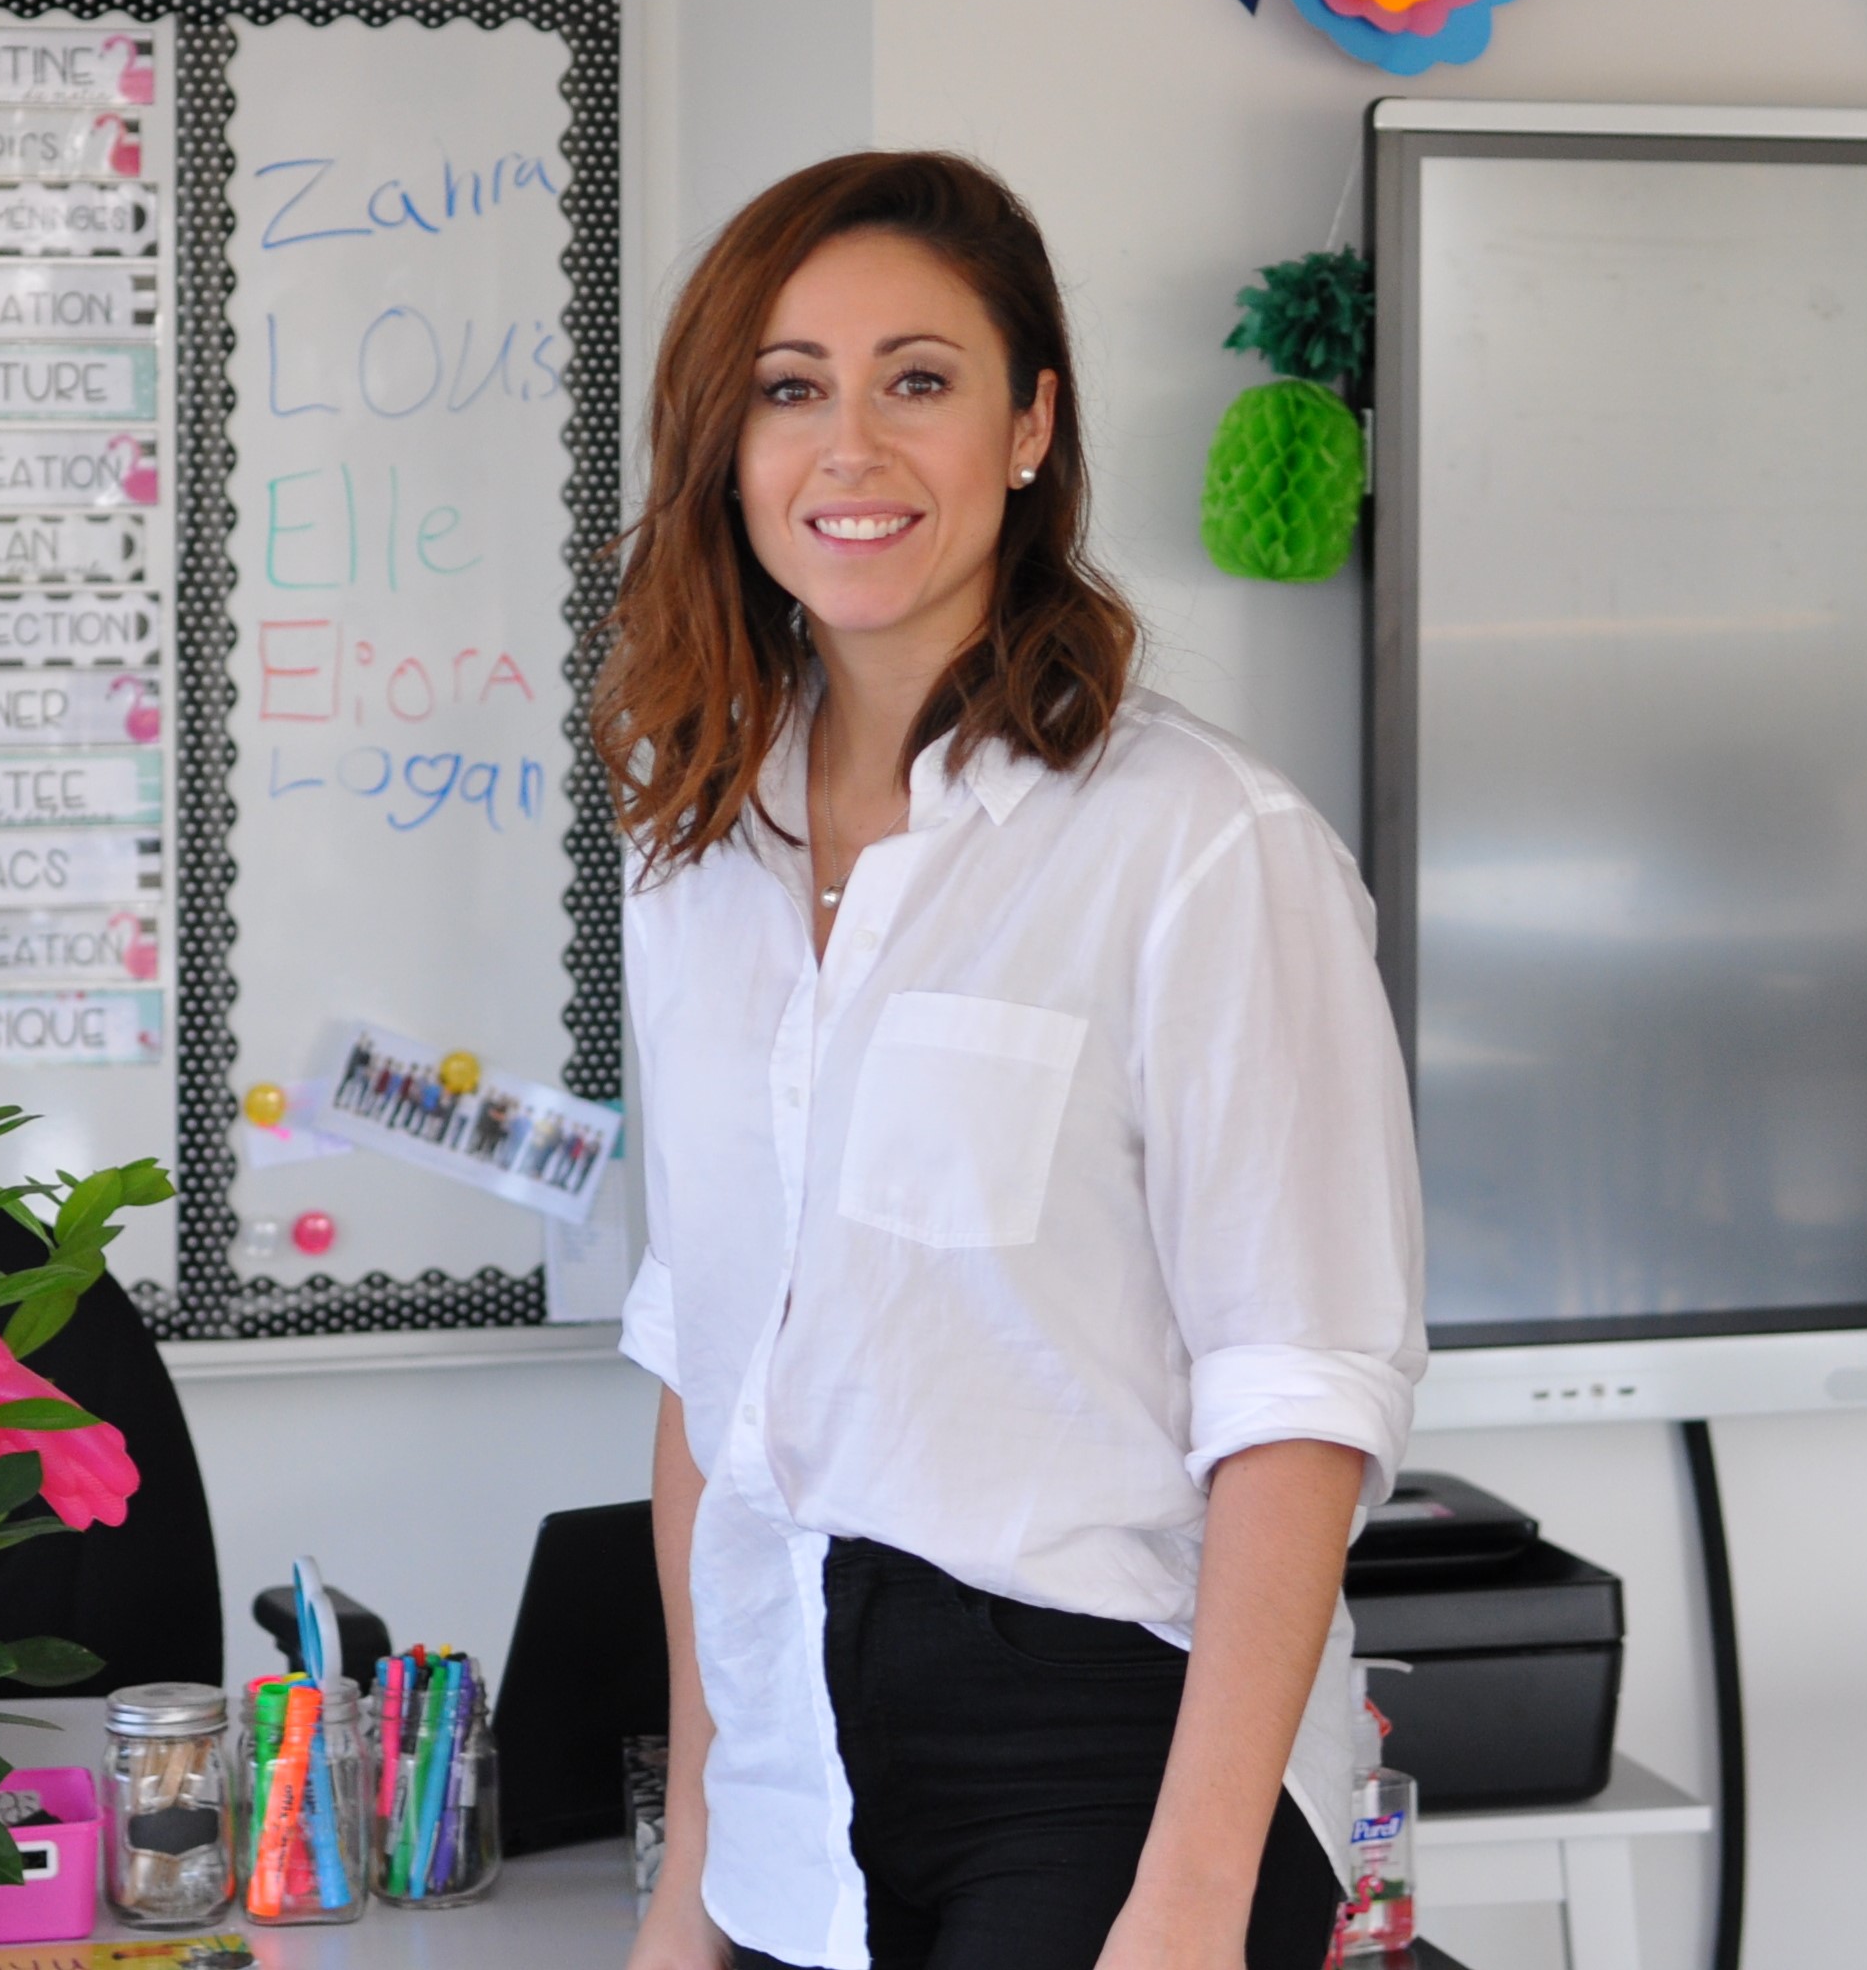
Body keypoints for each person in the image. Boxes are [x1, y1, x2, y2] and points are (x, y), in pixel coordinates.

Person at [595, 153, 1424, 1970]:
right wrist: (692, 1870)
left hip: (1108, 1753)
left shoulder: (1202, 845)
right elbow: (713, 1375)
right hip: (797, 1764)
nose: (850, 447)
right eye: (790, 388)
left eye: (919, 379)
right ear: (726, 449)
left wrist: (1192, 1898)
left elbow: (1300, 1393)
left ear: (1031, 426)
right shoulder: (692, 857)